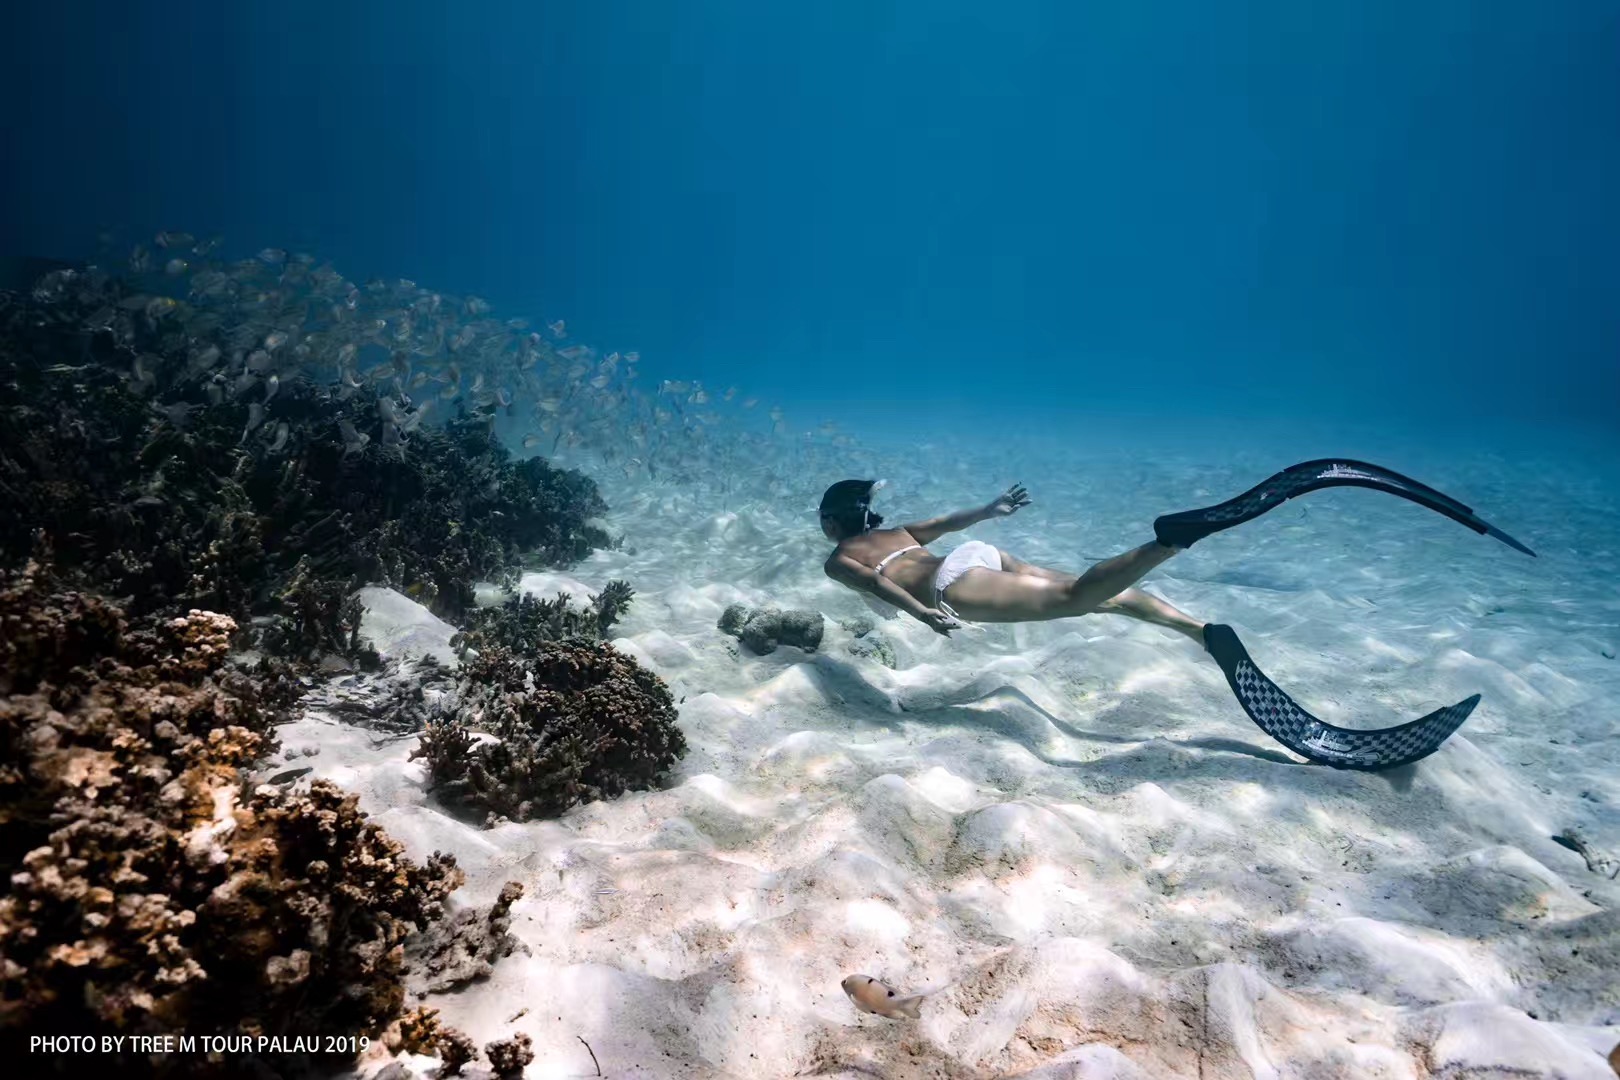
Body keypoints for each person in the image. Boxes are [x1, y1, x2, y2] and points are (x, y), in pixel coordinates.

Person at [819, 478, 1205, 641]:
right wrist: (988, 511)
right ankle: (1200, 631)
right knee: (1101, 598)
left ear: (832, 522)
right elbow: (944, 523)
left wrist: (923, 614)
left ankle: (1166, 544)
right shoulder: (894, 532)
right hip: (975, 556)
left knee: (1077, 597)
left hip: (950, 586)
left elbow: (876, 583)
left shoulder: (838, 559)